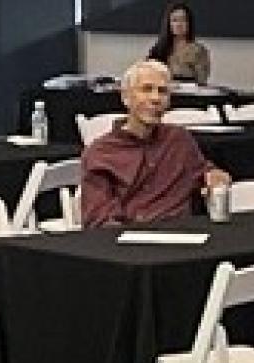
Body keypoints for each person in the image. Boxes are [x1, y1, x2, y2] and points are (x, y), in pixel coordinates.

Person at [81, 60, 228, 228]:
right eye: (146, 89)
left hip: (184, 236)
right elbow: (99, 220)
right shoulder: (101, 154)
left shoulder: (179, 140)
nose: (155, 98)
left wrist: (215, 176)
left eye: (163, 91)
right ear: (126, 97)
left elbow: (203, 172)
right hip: (130, 240)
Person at [147, 2, 210, 84]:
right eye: (175, 20)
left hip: (188, 93)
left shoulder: (199, 51)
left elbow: (201, 80)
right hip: (161, 93)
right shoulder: (158, 49)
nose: (179, 24)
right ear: (169, 24)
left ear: (189, 23)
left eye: (183, 20)